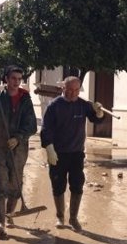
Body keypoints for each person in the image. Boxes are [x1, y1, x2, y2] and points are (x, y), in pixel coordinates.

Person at [0, 66, 37, 237]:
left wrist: (18, 137)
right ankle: (0, 222)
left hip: (18, 150)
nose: (16, 82)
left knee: (15, 186)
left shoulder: (25, 99)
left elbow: (31, 125)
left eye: (19, 79)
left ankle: (10, 215)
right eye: (13, 78)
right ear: (6, 79)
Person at [40, 76, 105, 232]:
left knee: (77, 186)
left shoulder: (83, 105)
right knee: (58, 186)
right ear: (63, 88)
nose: (73, 93)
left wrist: (99, 113)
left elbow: (96, 120)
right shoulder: (54, 106)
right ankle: (60, 217)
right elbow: (46, 130)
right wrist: (49, 148)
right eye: (69, 89)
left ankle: (73, 218)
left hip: (76, 154)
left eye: (76, 90)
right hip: (57, 153)